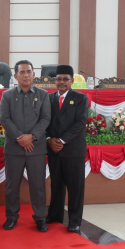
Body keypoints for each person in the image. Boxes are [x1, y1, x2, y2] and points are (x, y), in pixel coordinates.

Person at [0, 60, 51, 232]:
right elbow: (5, 119)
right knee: (12, 185)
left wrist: (32, 137)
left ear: (34, 74)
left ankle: (40, 217)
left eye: (29, 71)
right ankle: (11, 217)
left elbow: (45, 119)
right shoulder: (7, 95)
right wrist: (20, 138)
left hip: (36, 148)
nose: (26, 75)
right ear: (15, 76)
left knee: (38, 185)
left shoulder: (43, 95)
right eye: (22, 72)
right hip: (14, 148)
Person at [46, 65, 88, 234]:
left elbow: (80, 123)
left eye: (65, 79)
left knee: (75, 187)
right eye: (58, 79)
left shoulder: (80, 98)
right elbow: (44, 121)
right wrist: (49, 139)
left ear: (72, 81)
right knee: (56, 184)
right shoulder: (48, 98)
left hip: (73, 149)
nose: (61, 82)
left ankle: (75, 221)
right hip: (53, 149)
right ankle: (55, 215)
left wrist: (62, 140)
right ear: (54, 80)